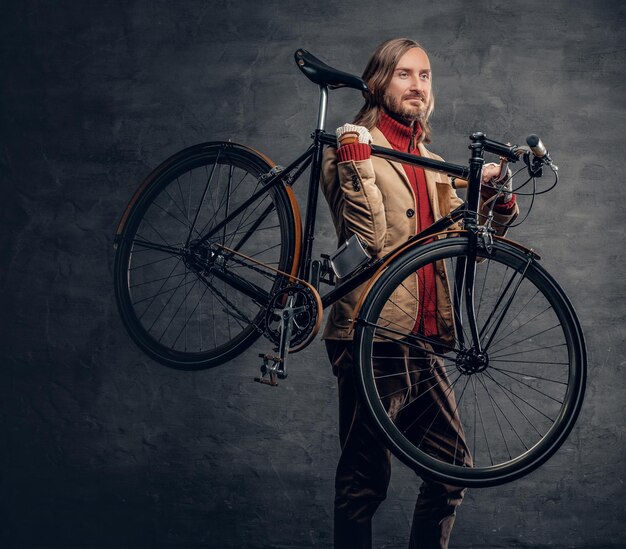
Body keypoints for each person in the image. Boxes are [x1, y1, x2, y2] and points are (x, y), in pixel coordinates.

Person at [320, 38, 519, 549]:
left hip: (422, 340)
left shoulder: (431, 162)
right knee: (363, 483)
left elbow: (463, 245)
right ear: (379, 82)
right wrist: (356, 159)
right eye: (404, 74)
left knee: (451, 470)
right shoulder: (350, 147)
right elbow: (369, 239)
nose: (417, 85)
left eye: (425, 75)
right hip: (372, 332)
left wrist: (492, 201)